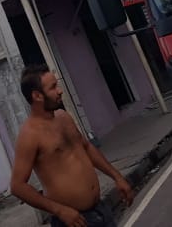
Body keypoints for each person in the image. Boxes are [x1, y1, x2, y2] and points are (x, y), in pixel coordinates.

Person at [10, 64, 134, 227]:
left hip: (100, 210)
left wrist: (117, 177)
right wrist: (60, 211)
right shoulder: (30, 135)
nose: (60, 90)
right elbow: (17, 186)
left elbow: (87, 148)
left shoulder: (63, 117)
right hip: (73, 221)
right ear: (37, 95)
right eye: (53, 87)